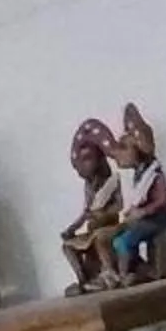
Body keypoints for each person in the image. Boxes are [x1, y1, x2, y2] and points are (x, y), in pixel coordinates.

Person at [107, 105, 166, 285]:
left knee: (124, 241)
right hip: (146, 218)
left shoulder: (154, 173)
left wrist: (143, 212)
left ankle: (124, 276)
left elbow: (163, 200)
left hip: (159, 219)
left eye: (125, 148)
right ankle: (141, 270)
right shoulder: (139, 174)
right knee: (116, 239)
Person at [58, 118, 121, 294]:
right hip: (94, 226)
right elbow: (86, 212)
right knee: (68, 246)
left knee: (100, 238)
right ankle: (84, 280)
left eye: (88, 158)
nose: (84, 164)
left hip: (110, 226)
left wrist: (105, 214)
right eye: (82, 160)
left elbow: (120, 206)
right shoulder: (89, 187)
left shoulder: (112, 182)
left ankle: (110, 274)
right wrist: (72, 228)